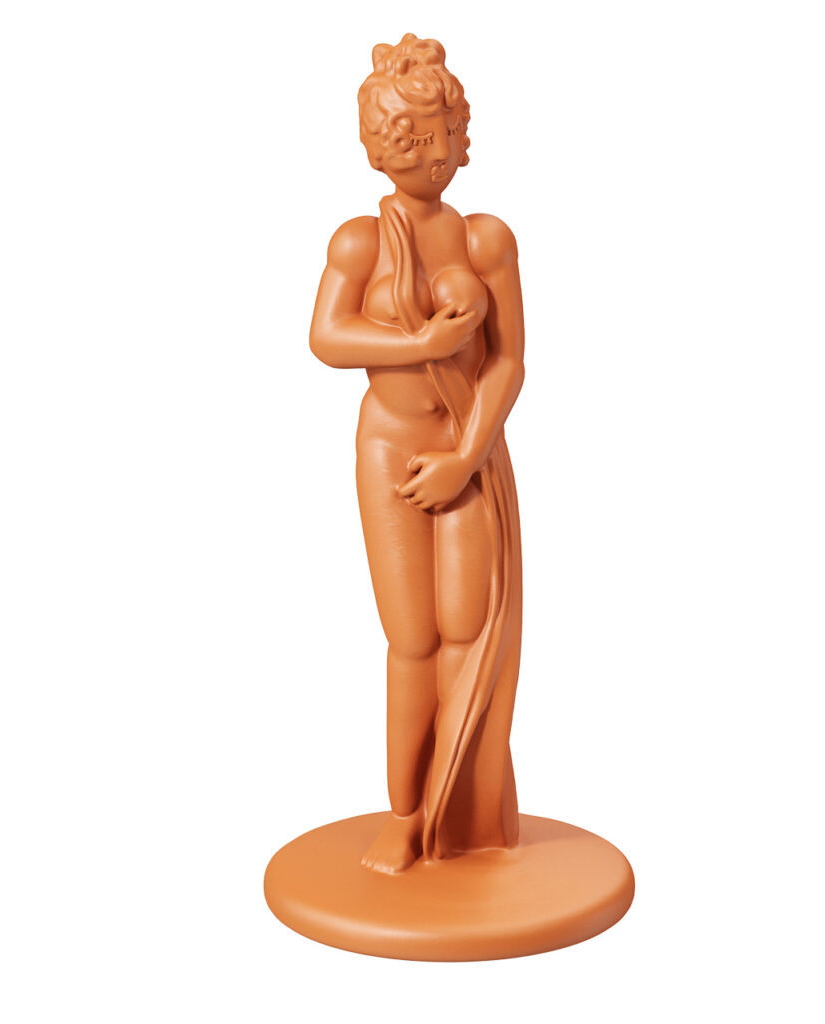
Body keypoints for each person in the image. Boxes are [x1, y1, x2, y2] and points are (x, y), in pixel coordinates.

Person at [309, 34, 526, 874]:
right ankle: (405, 816)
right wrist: (421, 344)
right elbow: (328, 337)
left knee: (468, 630)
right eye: (407, 140)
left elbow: (509, 361)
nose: (427, 155)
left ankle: (459, 812)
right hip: (390, 451)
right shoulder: (358, 242)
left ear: (460, 136)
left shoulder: (486, 240)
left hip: (466, 451)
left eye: (439, 136)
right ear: (378, 146)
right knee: (411, 640)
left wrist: (467, 458)